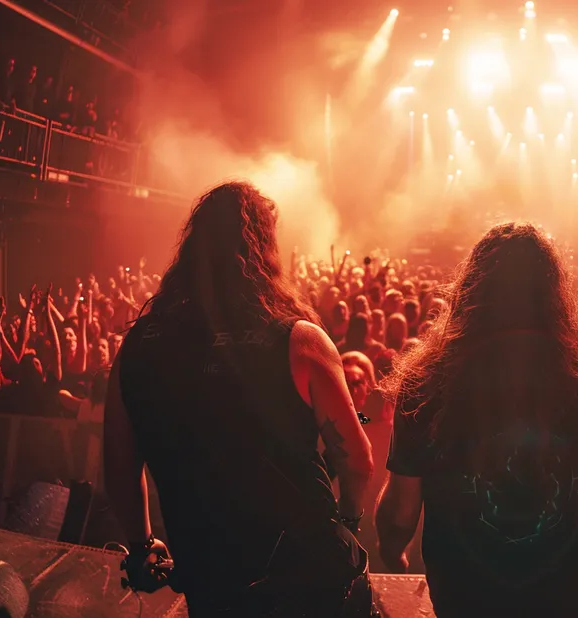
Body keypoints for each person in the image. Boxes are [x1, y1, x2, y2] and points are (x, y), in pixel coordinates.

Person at [104, 182, 376, 616]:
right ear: (265, 249)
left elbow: (119, 469)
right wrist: (348, 521)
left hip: (212, 581)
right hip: (307, 577)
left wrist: (142, 545)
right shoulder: (298, 341)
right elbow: (357, 460)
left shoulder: (138, 346)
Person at [375, 223, 578, 618]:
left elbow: (399, 512)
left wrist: (394, 553)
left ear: (471, 292)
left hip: (468, 595)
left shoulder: (427, 381)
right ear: (554, 293)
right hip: (569, 595)